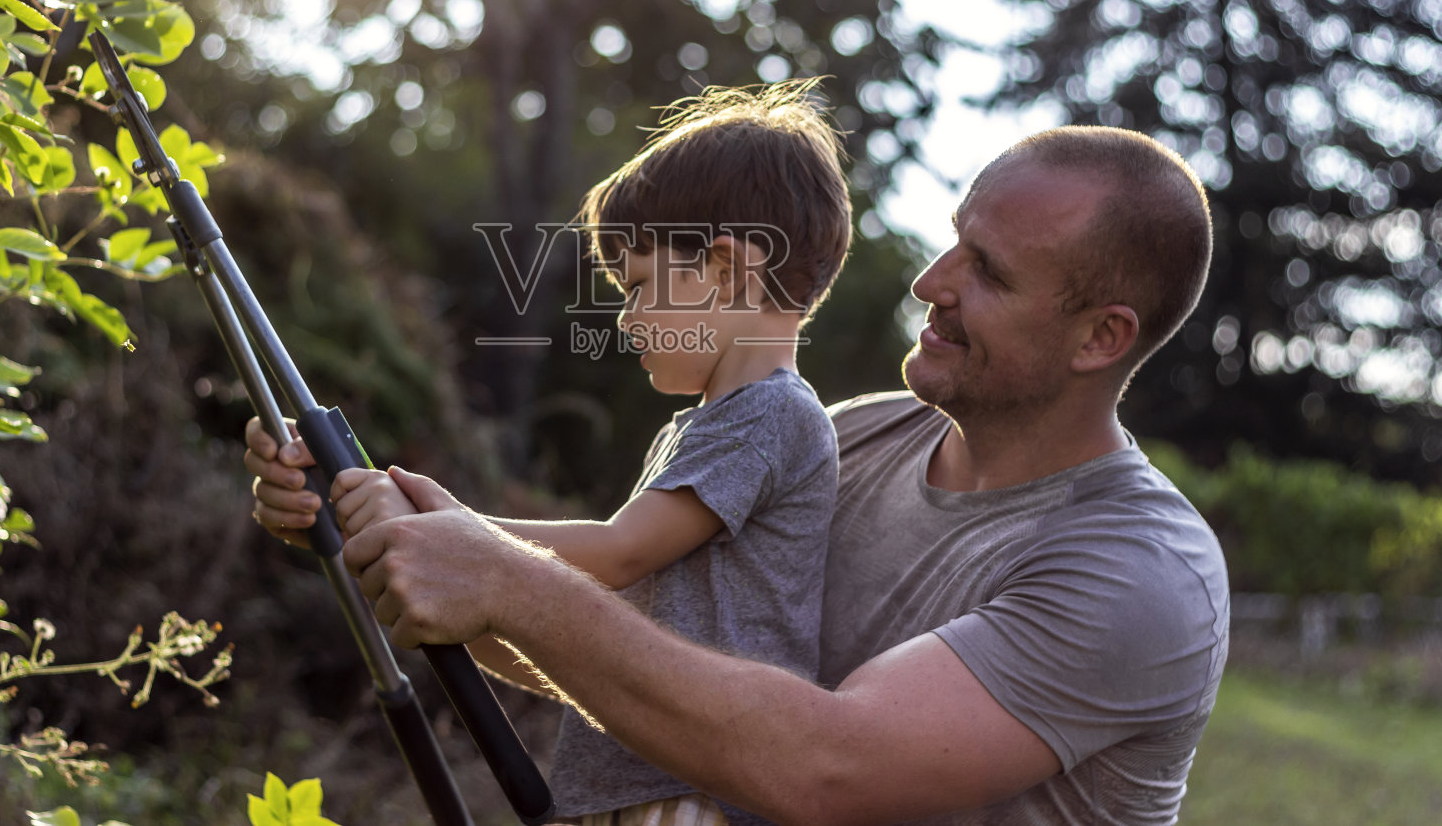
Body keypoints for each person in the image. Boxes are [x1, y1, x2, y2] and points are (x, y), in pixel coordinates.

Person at [250, 125, 1231, 825]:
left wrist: (493, 566)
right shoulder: (848, 440)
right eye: (952, 239)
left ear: (1100, 337)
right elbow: (625, 662)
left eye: (990, 269)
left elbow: (824, 769)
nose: (930, 280)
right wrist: (379, 538)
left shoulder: (1140, 573)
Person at [276, 80, 854, 826]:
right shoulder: (700, 432)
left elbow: (616, 554)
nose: (626, 317)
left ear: (725, 269)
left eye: (637, 285)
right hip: (638, 789)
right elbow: (582, 630)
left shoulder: (772, 413)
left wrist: (442, 528)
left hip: (695, 800)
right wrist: (390, 533)